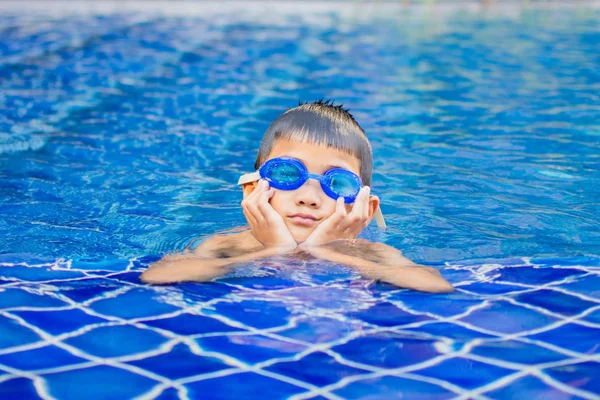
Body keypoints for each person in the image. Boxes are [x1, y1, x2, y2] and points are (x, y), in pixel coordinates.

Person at [141, 100, 453, 293]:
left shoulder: (369, 252)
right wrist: (274, 248)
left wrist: (327, 250)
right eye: (289, 174)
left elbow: (434, 284)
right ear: (253, 190)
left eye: (338, 183)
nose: (309, 198)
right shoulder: (231, 244)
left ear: (366, 209)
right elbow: (159, 276)